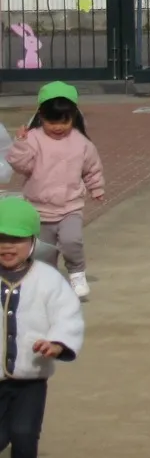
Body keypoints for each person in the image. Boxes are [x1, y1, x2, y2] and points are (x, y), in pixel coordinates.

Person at [0, 197, 84, 458]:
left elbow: (67, 315)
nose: (8, 247)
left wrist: (57, 343)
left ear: (33, 242)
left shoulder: (48, 281)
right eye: (1, 240)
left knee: (24, 432)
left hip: (30, 377)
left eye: (17, 240)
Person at [6, 82, 105, 301]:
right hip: (39, 208)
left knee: (72, 241)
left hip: (70, 206)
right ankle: (46, 284)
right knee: (44, 252)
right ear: (41, 116)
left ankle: (77, 272)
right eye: (52, 122)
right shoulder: (32, 139)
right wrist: (21, 143)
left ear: (74, 116)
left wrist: (96, 188)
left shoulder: (81, 143)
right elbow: (20, 165)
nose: (58, 127)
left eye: (64, 121)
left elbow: (92, 168)